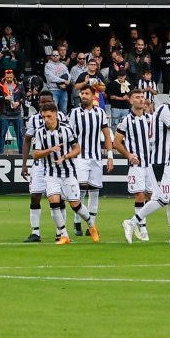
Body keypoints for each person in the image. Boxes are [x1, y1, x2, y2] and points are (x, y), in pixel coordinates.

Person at [117, 88, 170, 244]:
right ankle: (132, 222)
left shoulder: (165, 113)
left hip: (169, 163)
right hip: (160, 161)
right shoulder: (165, 109)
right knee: (161, 199)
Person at [24, 96, 80, 245]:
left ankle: (60, 233)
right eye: (42, 102)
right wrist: (25, 163)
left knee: (58, 198)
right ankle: (35, 231)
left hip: (56, 164)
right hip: (39, 163)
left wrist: (66, 156)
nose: (44, 105)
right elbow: (27, 140)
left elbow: (69, 138)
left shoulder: (62, 118)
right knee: (35, 195)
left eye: (48, 102)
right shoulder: (34, 120)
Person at [64, 81, 111, 241]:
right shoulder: (75, 113)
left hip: (96, 157)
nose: (83, 96)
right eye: (82, 94)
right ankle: (78, 220)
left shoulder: (101, 113)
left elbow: (106, 135)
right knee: (81, 187)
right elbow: (69, 135)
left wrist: (110, 156)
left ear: (93, 96)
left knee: (95, 191)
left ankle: (92, 225)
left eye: (86, 94)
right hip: (80, 157)